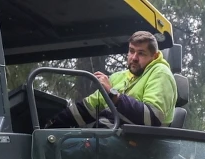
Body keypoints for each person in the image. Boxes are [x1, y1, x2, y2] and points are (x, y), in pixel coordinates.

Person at [47, 32, 177, 128]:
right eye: (131, 51)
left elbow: (151, 119)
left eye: (141, 53)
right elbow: (88, 107)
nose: (134, 58)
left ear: (154, 56)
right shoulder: (118, 77)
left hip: (140, 148)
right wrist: (53, 126)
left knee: (68, 153)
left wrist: (113, 94)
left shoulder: (160, 72)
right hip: (109, 139)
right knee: (58, 147)